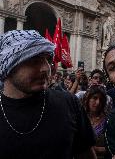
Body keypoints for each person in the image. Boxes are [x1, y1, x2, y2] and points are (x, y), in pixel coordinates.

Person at [0, 30, 96, 158]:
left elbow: (86, 154)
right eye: (34, 60)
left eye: (48, 59)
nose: (46, 68)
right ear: (9, 66)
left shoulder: (69, 103)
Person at [84, 85, 108, 159]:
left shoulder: (108, 121)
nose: (98, 102)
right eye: (94, 98)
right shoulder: (80, 118)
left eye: (101, 100)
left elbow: (114, 147)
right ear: (87, 99)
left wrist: (97, 149)